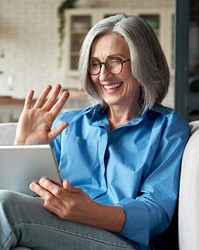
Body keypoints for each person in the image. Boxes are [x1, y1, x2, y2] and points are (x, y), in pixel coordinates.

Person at [0, 14, 190, 250]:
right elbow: (30, 197)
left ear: (144, 62)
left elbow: (157, 212)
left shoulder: (167, 127)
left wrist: (93, 213)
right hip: (58, 230)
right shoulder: (69, 123)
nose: (103, 75)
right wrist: (24, 147)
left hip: (122, 241)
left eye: (115, 61)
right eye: (95, 64)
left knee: (5, 206)